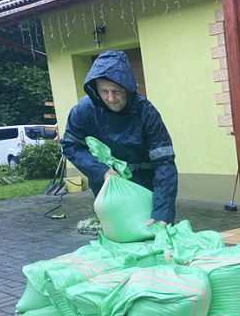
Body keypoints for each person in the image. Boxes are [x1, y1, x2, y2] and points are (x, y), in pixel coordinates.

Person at [61, 50, 177, 226]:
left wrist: (162, 211)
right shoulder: (84, 110)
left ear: (128, 88)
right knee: (118, 235)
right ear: (95, 89)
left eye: (117, 91)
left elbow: (164, 163)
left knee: (152, 232)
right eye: (104, 91)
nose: (111, 98)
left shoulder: (146, 113)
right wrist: (101, 171)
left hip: (145, 185)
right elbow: (71, 146)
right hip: (107, 187)